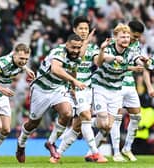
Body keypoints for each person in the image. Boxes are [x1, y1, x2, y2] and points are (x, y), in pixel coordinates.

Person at [46, 16, 108, 164]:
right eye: (81, 28)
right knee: (86, 116)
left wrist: (102, 50)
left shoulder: (92, 48)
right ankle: (96, 153)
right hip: (72, 87)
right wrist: (85, 43)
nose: (84, 31)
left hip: (87, 88)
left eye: (86, 29)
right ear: (74, 29)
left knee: (78, 126)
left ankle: (57, 154)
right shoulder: (67, 47)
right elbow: (77, 57)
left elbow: (98, 63)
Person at [16, 33, 86, 163]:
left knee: (67, 113)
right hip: (41, 89)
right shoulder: (58, 51)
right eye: (73, 47)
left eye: (78, 48)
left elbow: (72, 70)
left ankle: (51, 143)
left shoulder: (77, 57)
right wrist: (75, 81)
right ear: (67, 45)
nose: (76, 51)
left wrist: (73, 87)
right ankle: (21, 144)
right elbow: (55, 69)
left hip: (58, 89)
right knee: (33, 123)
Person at [86, 23, 145, 160]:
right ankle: (87, 121)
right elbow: (100, 62)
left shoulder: (131, 50)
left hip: (116, 89)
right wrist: (105, 52)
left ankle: (90, 123)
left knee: (107, 126)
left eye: (127, 37)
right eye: (122, 37)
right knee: (103, 122)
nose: (126, 39)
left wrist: (144, 63)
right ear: (115, 38)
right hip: (100, 86)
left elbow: (137, 60)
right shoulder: (109, 46)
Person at [0, 43, 34, 164]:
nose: (23, 61)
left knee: (6, 130)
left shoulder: (18, 61)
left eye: (26, 59)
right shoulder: (2, 63)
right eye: (21, 59)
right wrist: (1, 88)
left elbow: (20, 64)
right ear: (14, 54)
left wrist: (26, 69)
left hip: (2, 97)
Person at [110, 20, 146, 162]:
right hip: (115, 83)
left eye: (138, 37)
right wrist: (132, 67)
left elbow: (137, 59)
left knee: (136, 117)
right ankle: (116, 151)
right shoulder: (115, 43)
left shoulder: (135, 44)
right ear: (127, 31)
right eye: (134, 36)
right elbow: (114, 66)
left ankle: (127, 148)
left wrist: (143, 61)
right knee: (116, 118)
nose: (136, 40)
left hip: (129, 83)